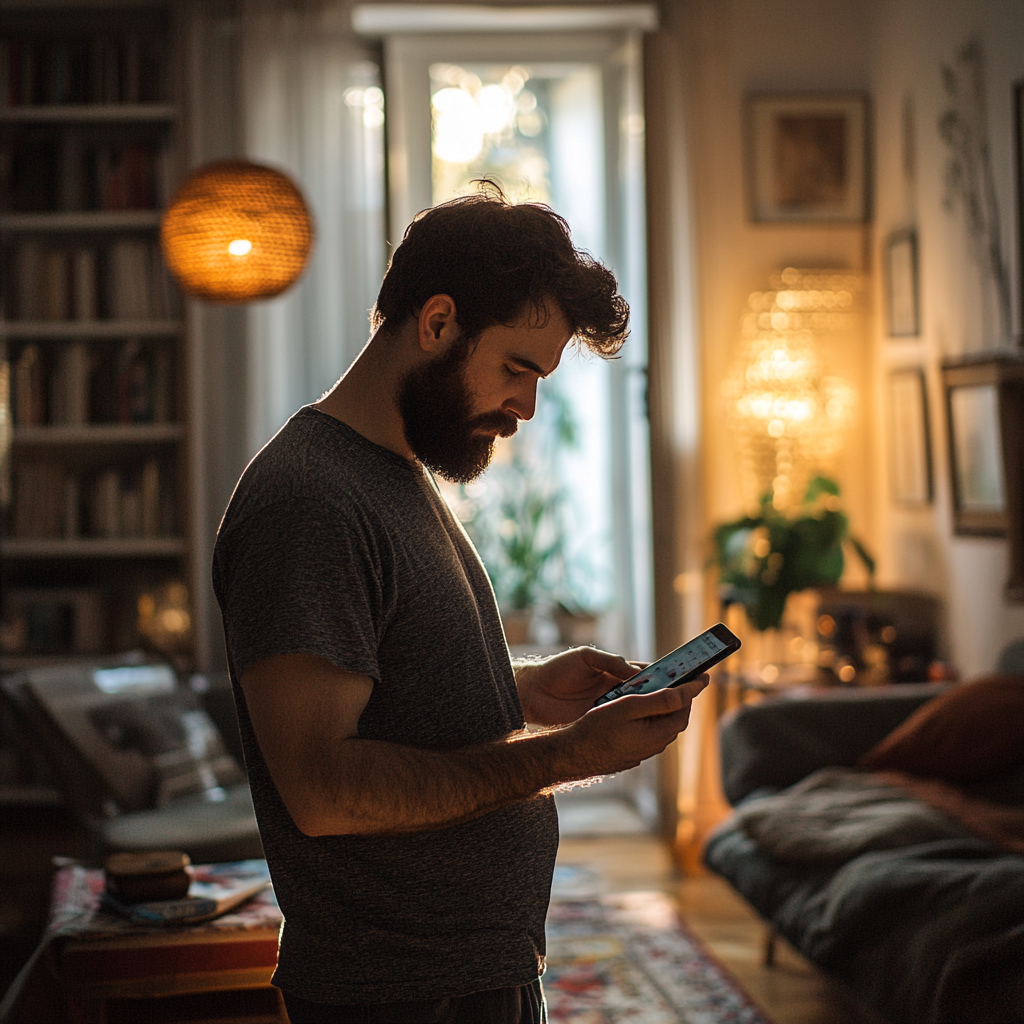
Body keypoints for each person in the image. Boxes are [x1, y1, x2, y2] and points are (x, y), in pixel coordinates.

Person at [213, 187, 708, 1024]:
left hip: (465, 971)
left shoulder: (388, 475)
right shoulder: (311, 502)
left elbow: (388, 695)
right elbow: (325, 789)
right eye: (517, 368)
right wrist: (565, 757)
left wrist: (517, 689)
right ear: (438, 323)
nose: (526, 407)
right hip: (401, 993)